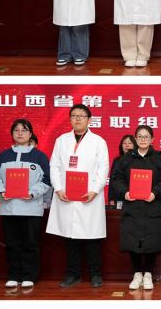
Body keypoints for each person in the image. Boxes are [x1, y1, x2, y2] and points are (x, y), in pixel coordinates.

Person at [46, 104, 109, 288]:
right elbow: (54, 166)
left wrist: (95, 190)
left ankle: (95, 275)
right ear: (70, 119)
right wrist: (58, 188)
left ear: (89, 120)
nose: (78, 119)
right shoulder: (61, 140)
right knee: (70, 237)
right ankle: (73, 274)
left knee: (92, 238)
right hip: (66, 195)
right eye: (74, 116)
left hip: (89, 196)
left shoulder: (98, 141)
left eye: (81, 116)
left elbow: (103, 168)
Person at [0, 118, 52, 290]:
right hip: (9, 207)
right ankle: (14, 276)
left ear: (30, 134)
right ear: (12, 134)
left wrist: (32, 192)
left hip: (32, 207)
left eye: (24, 130)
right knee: (12, 244)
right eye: (16, 130)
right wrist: (1, 192)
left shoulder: (39, 156)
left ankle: (29, 276)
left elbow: (47, 179)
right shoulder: (3, 156)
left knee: (31, 243)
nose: (20, 133)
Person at [109, 125, 161, 291]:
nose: (143, 139)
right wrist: (125, 192)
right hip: (133, 206)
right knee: (132, 240)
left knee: (152, 240)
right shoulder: (126, 159)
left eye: (146, 137)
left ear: (152, 140)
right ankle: (137, 273)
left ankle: (148, 274)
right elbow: (116, 179)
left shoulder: (159, 160)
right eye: (140, 136)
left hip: (153, 206)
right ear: (135, 139)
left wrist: (155, 193)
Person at [109, 135, 137, 206]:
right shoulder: (117, 160)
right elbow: (112, 180)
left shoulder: (138, 160)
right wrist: (111, 198)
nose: (127, 145)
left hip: (134, 197)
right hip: (119, 196)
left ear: (135, 145)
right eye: (124, 143)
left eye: (130, 143)